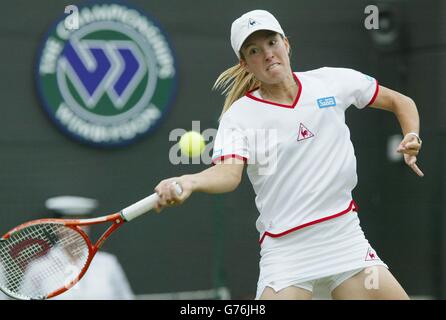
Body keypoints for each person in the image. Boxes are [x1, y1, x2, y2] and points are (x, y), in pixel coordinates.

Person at [154, 10, 423, 300]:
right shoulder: (239, 117)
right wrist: (190, 182)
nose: (268, 54)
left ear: (286, 44)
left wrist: (412, 135)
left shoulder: (331, 82)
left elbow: (400, 101)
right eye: (254, 50)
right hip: (287, 254)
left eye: (272, 42)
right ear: (245, 63)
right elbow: (227, 174)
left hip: (344, 239)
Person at [18, 196, 134, 300]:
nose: (76, 229)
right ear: (56, 227)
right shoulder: (37, 269)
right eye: (69, 223)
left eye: (82, 222)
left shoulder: (108, 264)